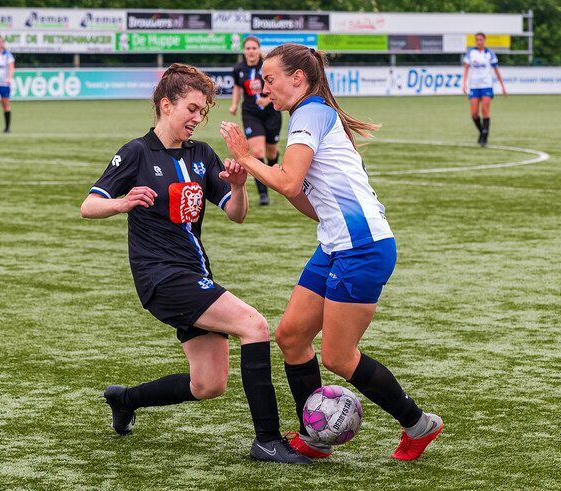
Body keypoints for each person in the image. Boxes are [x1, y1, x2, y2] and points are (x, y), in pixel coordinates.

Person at [220, 44, 443, 462]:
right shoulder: (310, 114)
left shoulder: (310, 114)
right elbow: (305, 199)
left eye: (270, 79)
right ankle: (315, 435)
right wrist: (261, 170)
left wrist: (247, 159)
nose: (263, 87)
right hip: (336, 245)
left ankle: (418, 424)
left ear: (298, 79)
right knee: (291, 336)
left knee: (340, 356)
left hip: (363, 249)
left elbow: (286, 183)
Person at [80, 63, 310, 465]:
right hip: (160, 277)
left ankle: (125, 399)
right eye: (191, 108)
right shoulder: (136, 152)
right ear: (166, 105)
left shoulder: (202, 154)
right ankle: (267, 440)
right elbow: (89, 205)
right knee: (253, 325)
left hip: (194, 274)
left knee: (209, 384)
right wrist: (121, 202)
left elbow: (236, 215)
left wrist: (238, 187)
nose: (197, 118)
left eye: (202, 111)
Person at [229, 36, 282, 206]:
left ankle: (274, 171)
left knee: (271, 153)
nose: (251, 51)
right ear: (244, 51)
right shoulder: (238, 69)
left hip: (271, 112)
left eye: (254, 48)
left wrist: (267, 101)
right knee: (257, 153)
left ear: (259, 50)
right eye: (248, 48)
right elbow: (237, 87)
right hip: (251, 113)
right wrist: (234, 104)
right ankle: (263, 193)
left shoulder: (268, 66)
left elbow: (279, 86)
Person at [462, 32, 507, 146]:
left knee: (485, 111)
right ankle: (482, 131)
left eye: (481, 39)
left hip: (486, 85)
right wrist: (464, 83)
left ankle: (484, 137)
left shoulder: (490, 53)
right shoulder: (470, 53)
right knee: (474, 113)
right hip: (474, 86)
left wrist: (503, 86)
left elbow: (496, 70)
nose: (479, 42)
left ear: (484, 40)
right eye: (477, 40)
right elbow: (466, 68)